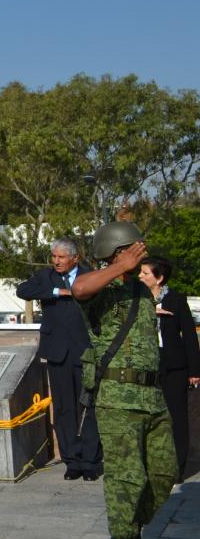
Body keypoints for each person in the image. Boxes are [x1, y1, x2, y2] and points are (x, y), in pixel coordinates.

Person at [72, 222, 176, 539]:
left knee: (165, 471)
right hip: (117, 400)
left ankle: (132, 524)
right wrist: (119, 267)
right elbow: (78, 289)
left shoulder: (141, 290)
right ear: (117, 251)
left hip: (152, 397)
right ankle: (125, 533)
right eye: (133, 247)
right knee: (125, 479)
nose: (140, 251)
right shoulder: (98, 290)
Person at [17, 238, 103, 480]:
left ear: (75, 258)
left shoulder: (90, 275)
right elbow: (22, 290)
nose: (56, 261)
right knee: (64, 409)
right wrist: (57, 291)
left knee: (89, 407)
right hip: (57, 352)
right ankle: (72, 461)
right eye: (54, 256)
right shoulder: (46, 277)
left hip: (85, 352)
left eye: (61, 257)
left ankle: (90, 461)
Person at [139, 256, 199, 479]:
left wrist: (195, 370)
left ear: (159, 278)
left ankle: (178, 469)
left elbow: (190, 336)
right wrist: (149, 313)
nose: (140, 276)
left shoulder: (176, 300)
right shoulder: (137, 299)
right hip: (145, 366)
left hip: (174, 367)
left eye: (145, 273)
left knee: (177, 418)